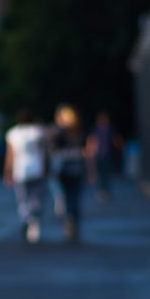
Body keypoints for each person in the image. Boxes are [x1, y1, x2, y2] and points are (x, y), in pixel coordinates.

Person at [3, 108, 49, 243]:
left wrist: (7, 171)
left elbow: (10, 155)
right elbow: (45, 153)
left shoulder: (13, 133)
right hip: (37, 169)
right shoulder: (39, 132)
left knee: (23, 199)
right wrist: (47, 167)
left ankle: (26, 219)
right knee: (36, 198)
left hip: (20, 170)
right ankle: (34, 223)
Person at [50, 103, 89, 242]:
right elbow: (87, 151)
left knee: (65, 196)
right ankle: (74, 221)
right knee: (76, 197)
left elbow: (53, 149)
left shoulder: (59, 132)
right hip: (79, 166)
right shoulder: (80, 130)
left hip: (64, 167)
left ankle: (69, 218)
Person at [87, 110, 119, 201]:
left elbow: (92, 142)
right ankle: (104, 191)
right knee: (104, 174)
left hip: (103, 155)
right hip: (104, 155)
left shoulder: (100, 129)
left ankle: (104, 191)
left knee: (104, 174)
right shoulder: (107, 129)